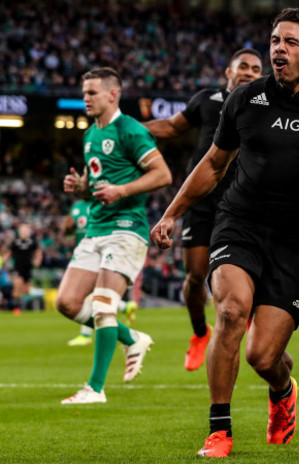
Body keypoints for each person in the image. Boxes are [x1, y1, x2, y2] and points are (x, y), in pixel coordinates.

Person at [151, 8, 299, 458]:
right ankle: (220, 429)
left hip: (295, 239)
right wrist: (171, 213)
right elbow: (214, 165)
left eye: (291, 42)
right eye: (275, 40)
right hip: (239, 221)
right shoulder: (246, 99)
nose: (278, 48)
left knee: (264, 357)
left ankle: (283, 390)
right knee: (232, 311)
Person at [58, 67, 172, 403]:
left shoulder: (130, 130)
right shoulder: (90, 135)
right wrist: (79, 188)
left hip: (126, 228)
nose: (85, 99)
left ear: (113, 94)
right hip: (96, 228)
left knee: (103, 306)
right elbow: (96, 189)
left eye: (92, 93)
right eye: (84, 93)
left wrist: (121, 190)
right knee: (67, 302)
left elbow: (163, 174)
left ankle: (94, 388)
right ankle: (131, 337)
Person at [144, 48, 263, 371]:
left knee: (247, 271)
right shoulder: (206, 100)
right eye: (244, 67)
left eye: (256, 68)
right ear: (229, 71)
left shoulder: (265, 105)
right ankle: (199, 334)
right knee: (196, 275)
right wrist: (127, 127)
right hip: (201, 200)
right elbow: (171, 127)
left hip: (242, 202)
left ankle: (249, 322)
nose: (250, 73)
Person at [64, 199, 138, 347]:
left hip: (100, 252)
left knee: (89, 296)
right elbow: (67, 230)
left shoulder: (102, 202)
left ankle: (86, 335)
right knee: (93, 295)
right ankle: (125, 307)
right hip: (83, 255)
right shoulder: (76, 207)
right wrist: (68, 226)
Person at [5, 222, 42, 310]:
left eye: (26, 229)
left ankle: (23, 307)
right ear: (19, 231)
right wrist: (5, 259)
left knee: (26, 291)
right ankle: (16, 308)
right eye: (23, 229)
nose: (24, 231)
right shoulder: (15, 242)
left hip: (28, 269)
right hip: (17, 268)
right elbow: (10, 252)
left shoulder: (32, 242)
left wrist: (37, 260)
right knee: (18, 284)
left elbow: (38, 252)